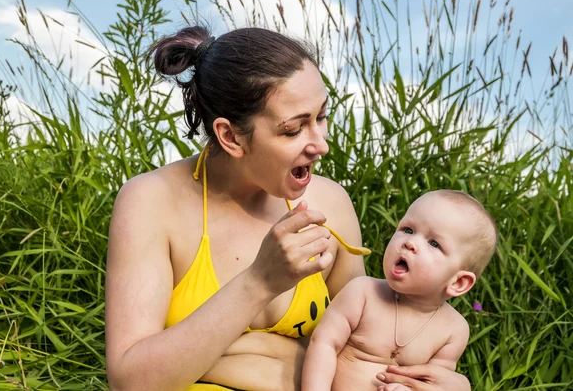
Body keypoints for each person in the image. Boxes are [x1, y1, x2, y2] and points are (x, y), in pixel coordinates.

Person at [104, 25, 472, 391]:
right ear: (230, 136)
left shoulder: (330, 204)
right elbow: (132, 380)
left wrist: (449, 384)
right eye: (294, 130)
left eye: (321, 117)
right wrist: (258, 282)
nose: (321, 145)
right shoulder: (150, 201)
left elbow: (360, 354)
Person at [302, 190, 497, 391]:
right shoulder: (363, 293)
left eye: (433, 243)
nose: (410, 243)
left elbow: (434, 384)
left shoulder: (453, 330)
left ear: (459, 282)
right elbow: (324, 344)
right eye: (408, 229)